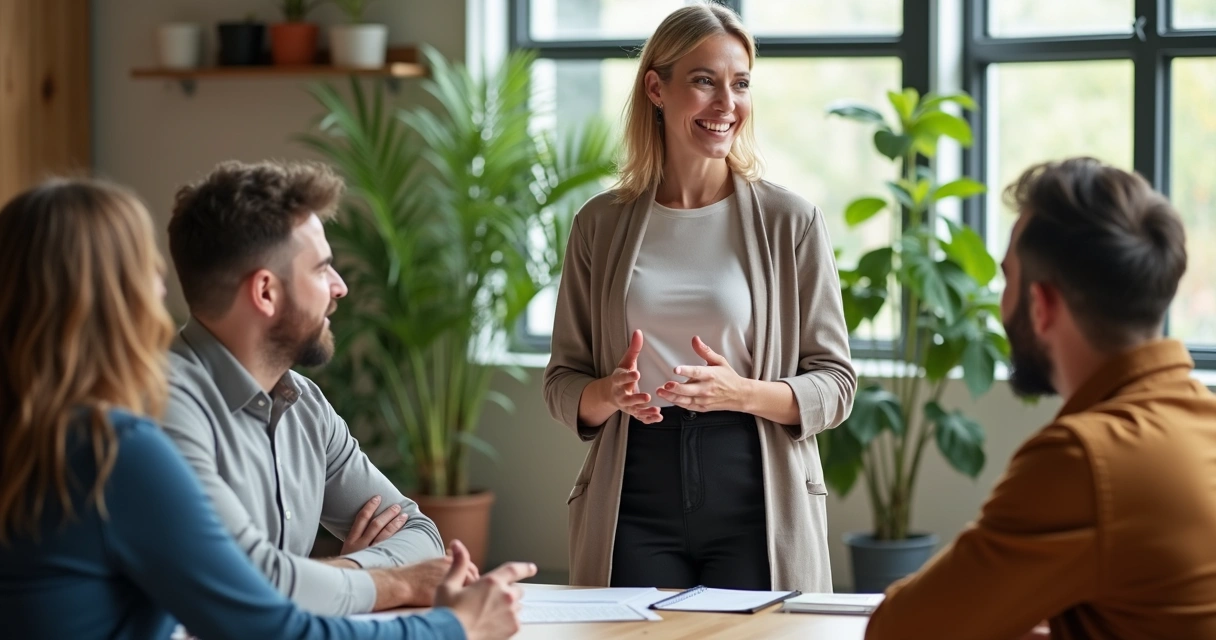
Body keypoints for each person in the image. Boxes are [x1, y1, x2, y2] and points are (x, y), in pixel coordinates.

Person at [0, 178, 534, 640]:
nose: (162, 288)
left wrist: (311, 576)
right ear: (119, 299)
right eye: (147, 271)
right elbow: (266, 624)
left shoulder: (45, 437)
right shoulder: (114, 447)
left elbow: (415, 540)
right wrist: (455, 626)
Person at [542, 3, 856, 592]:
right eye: (704, 81)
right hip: (634, 494)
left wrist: (743, 393)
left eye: (740, 84)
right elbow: (562, 384)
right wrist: (606, 394)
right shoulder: (599, 225)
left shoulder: (792, 222)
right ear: (656, 88)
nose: (726, 104)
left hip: (755, 497)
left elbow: (836, 386)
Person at [865, 157, 1216, 639]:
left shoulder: (1084, 459)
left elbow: (901, 631)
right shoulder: (1200, 422)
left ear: (1041, 304)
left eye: (1008, 277)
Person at [162, 160, 460, 616]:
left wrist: (331, 575)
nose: (339, 287)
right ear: (266, 292)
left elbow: (420, 536)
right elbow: (246, 586)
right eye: (321, 269)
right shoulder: (165, 406)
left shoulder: (304, 405)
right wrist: (382, 579)